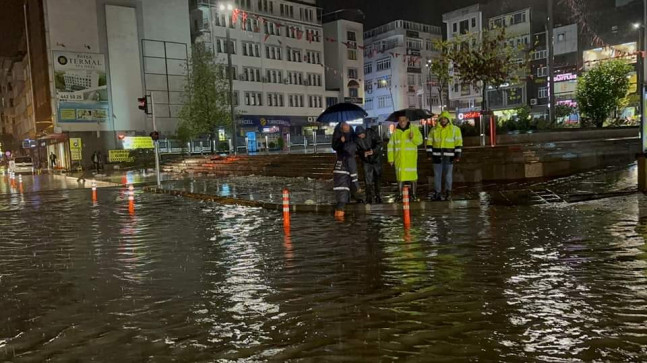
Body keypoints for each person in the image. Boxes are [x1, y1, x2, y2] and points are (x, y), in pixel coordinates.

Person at [426, 111, 463, 201]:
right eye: (442, 119)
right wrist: (429, 154)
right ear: (439, 119)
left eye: (445, 118)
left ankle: (448, 192)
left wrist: (458, 155)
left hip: (448, 156)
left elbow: (458, 143)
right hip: (437, 156)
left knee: (448, 175)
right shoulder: (433, 130)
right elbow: (429, 143)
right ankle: (437, 193)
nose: (443, 120)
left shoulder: (455, 129)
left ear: (448, 119)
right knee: (437, 176)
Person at [388, 116, 423, 201]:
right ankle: (400, 195)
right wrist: (391, 159)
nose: (402, 122)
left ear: (407, 120)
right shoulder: (396, 132)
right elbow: (390, 146)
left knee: (413, 177)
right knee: (400, 177)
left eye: (403, 120)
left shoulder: (414, 129)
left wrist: (413, 137)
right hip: (399, 159)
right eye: (400, 120)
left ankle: (413, 195)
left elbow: (420, 141)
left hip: (410, 159)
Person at [331, 122, 363, 219]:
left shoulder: (342, 158)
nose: (347, 126)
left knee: (342, 199)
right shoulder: (350, 158)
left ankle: (340, 218)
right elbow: (353, 175)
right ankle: (340, 222)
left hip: (339, 179)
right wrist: (358, 187)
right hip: (343, 181)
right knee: (342, 201)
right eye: (345, 125)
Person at [355, 125, 383, 204]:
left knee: (377, 178)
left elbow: (379, 143)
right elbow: (357, 149)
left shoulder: (371, 133)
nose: (361, 136)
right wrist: (363, 153)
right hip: (366, 161)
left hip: (376, 159)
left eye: (362, 134)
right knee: (368, 180)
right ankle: (369, 197)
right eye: (359, 135)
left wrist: (373, 151)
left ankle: (378, 196)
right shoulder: (357, 139)